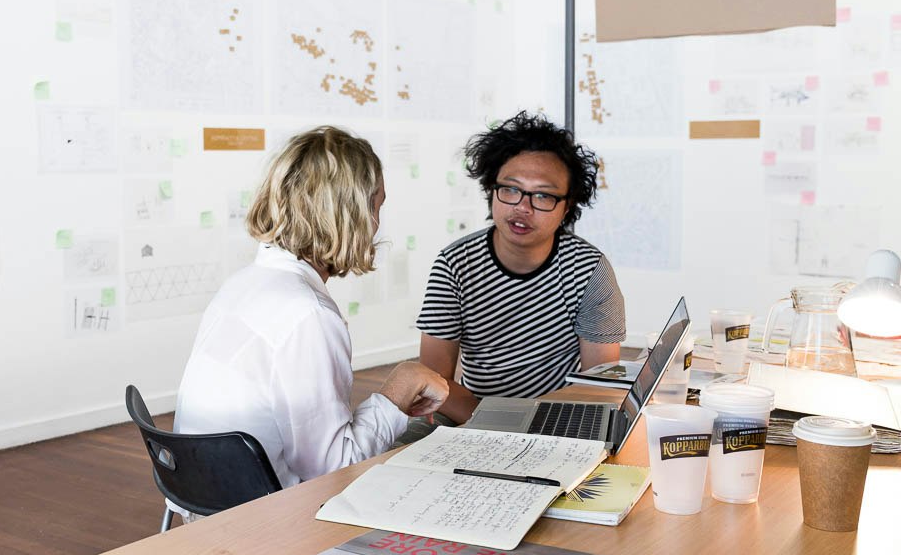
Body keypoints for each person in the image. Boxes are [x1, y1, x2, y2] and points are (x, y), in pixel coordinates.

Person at [175, 126, 447, 486]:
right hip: (262, 517)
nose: (377, 225)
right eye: (377, 208)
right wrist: (400, 386)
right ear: (351, 215)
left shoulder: (242, 284)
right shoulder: (308, 313)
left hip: (200, 495)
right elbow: (333, 469)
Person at [417, 111, 625, 423]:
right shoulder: (455, 263)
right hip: (473, 414)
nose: (522, 208)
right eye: (511, 189)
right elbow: (434, 383)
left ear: (567, 206)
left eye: (543, 195)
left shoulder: (588, 269)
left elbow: (600, 385)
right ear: (492, 188)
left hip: (560, 418)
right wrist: (500, 424)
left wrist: (539, 427)